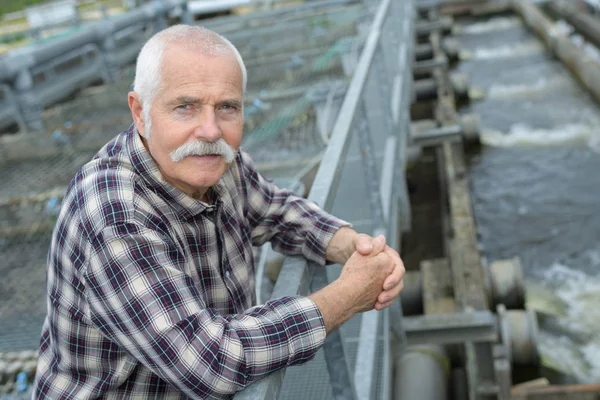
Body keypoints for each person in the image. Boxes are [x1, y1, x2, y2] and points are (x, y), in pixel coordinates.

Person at [32, 24, 405, 399]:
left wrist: (354, 245)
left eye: (227, 107)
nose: (210, 131)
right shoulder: (114, 214)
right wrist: (349, 293)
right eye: (185, 107)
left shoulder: (217, 161)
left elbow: (273, 208)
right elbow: (211, 362)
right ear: (140, 112)